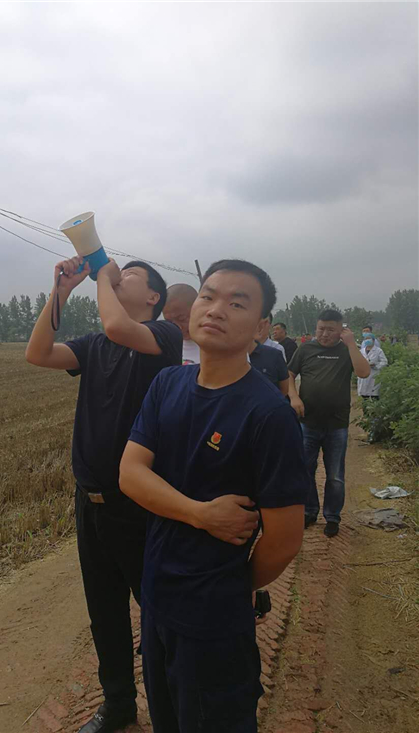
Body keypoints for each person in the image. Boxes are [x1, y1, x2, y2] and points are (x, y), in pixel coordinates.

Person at [25, 256, 259, 733]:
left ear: (153, 297)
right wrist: (61, 292)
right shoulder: (95, 346)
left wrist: (101, 274)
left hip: (140, 504)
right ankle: (118, 703)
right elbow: (38, 353)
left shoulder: (163, 337)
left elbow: (117, 323)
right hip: (90, 502)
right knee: (104, 612)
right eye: (119, 274)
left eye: (130, 276)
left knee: (159, 613)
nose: (118, 278)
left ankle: (174, 708)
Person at [120, 259, 308, 733]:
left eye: (237, 303)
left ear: (261, 328)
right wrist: (200, 514)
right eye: (208, 296)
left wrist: (229, 587)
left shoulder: (269, 415)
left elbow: (285, 540)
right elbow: (130, 474)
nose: (216, 309)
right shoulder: (168, 384)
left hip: (214, 622)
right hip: (156, 599)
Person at [287, 310, 370, 538]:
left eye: (330, 330)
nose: (324, 334)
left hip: (337, 425)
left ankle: (332, 516)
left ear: (341, 330)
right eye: (321, 329)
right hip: (308, 423)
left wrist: (351, 344)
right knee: (305, 470)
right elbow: (289, 374)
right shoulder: (305, 349)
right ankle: (309, 511)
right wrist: (293, 396)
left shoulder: (346, 350)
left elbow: (364, 372)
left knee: (335, 476)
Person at [163, 283, 200, 364]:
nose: (178, 327)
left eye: (182, 319)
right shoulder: (167, 348)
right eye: (170, 322)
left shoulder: (219, 344)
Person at [358, 334, 388, 399]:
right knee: (364, 396)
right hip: (364, 375)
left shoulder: (378, 351)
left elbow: (384, 361)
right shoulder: (361, 351)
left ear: (373, 340)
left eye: (369, 338)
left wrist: (375, 365)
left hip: (374, 374)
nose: (367, 340)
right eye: (366, 339)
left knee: (374, 396)